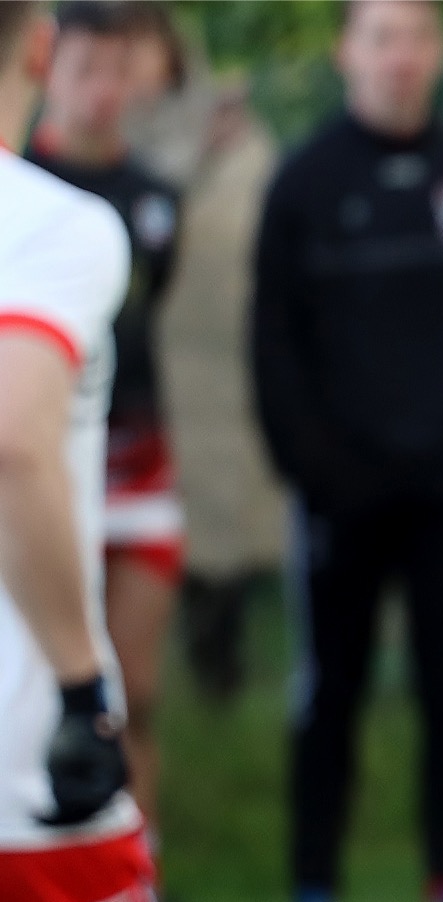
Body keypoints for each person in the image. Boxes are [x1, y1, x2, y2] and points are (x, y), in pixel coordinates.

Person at [253, 0, 443, 902]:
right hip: (339, 491)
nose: (400, 57)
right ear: (346, 52)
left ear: (439, 50)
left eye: (416, 37)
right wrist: (317, 470)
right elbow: (274, 347)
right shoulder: (303, 184)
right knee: (327, 688)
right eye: (381, 37)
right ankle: (311, 883)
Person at [0, 3, 156, 902]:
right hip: (20, 780)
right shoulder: (54, 221)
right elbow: (13, 429)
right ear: (41, 47)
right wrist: (76, 682)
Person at [27, 0, 181, 838]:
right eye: (85, 66)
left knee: (134, 686)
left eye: (119, 68)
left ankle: (137, 855)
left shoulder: (156, 199)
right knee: (55, 670)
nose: (101, 89)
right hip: (44, 457)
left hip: (141, 459)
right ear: (45, 61)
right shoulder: (28, 194)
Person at [127, 8, 285, 703]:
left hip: (228, 364)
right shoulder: (121, 134)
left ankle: (215, 668)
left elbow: (265, 214)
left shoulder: (240, 135)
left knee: (224, 523)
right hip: (144, 368)